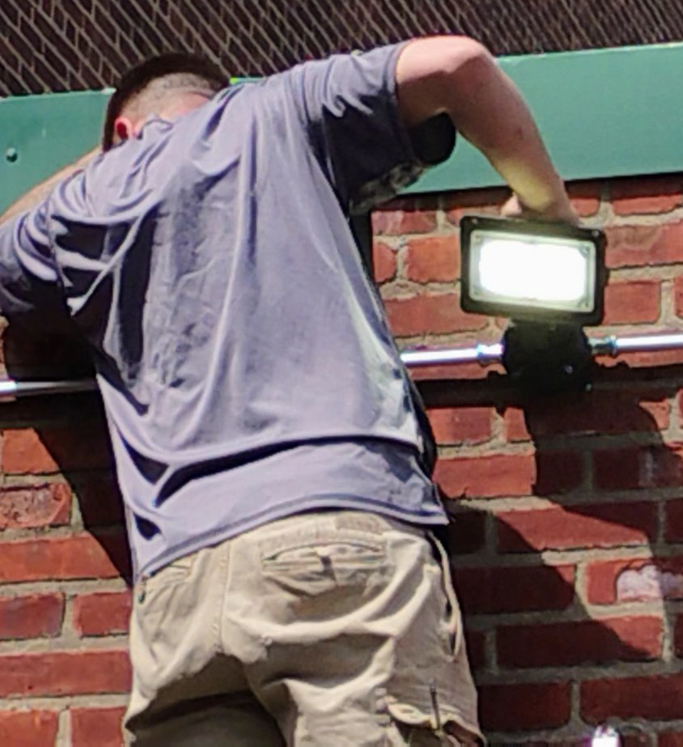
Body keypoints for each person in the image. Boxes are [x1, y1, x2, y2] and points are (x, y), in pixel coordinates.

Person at [0, 37, 576, 746]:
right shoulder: (274, 109)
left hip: (178, 585)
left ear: (123, 128)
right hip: (334, 534)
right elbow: (457, 66)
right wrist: (548, 206)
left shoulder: (84, 205)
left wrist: (121, 158)